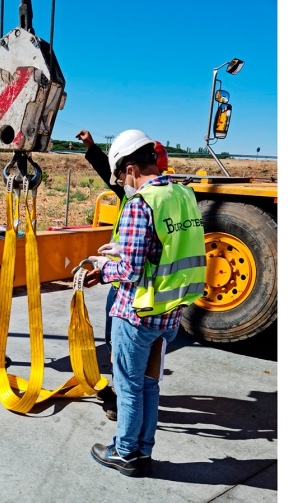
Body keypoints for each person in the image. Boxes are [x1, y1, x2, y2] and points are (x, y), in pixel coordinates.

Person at [82, 129, 206, 477]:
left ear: (132, 168)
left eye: (121, 176)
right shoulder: (183, 194)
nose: (122, 184)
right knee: (150, 385)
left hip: (137, 312)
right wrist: (122, 247)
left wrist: (105, 267)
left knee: (127, 386)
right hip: (170, 312)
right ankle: (144, 451)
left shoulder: (140, 204)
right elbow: (167, 245)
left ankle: (125, 453)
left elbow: (131, 271)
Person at [74, 129, 170, 422]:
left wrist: (105, 270)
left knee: (121, 345)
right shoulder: (173, 196)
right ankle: (131, 399)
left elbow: (134, 265)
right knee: (143, 364)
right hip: (162, 294)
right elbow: (110, 172)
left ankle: (124, 410)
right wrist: (91, 148)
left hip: (131, 291)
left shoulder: (142, 199)